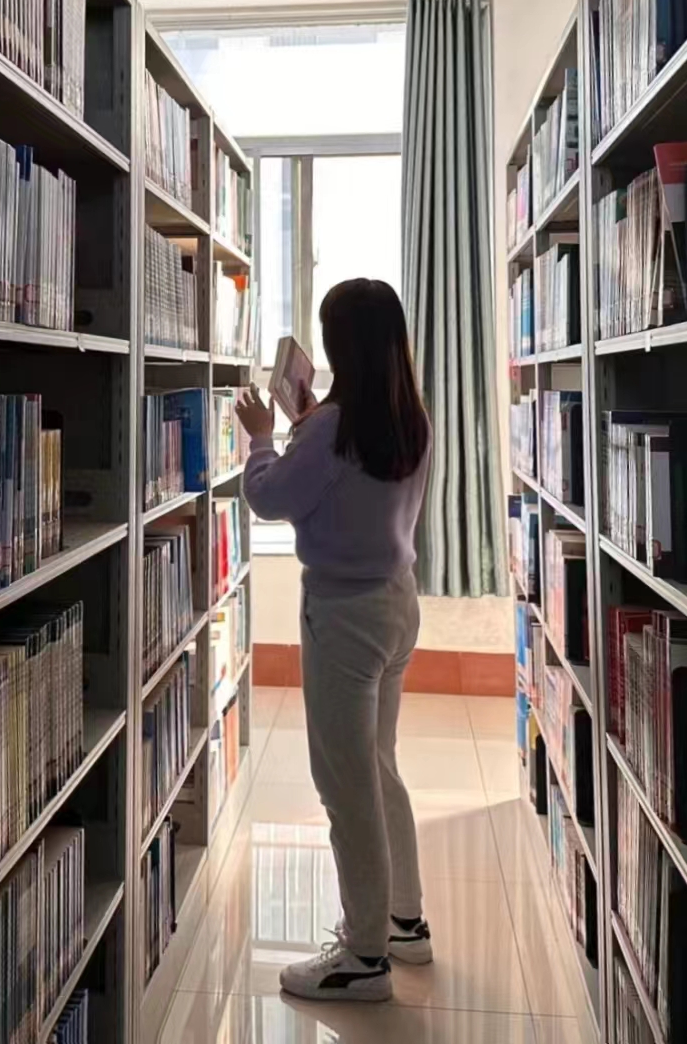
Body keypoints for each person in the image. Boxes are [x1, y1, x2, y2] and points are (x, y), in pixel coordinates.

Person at [235, 278, 433, 1004]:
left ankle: (363, 957)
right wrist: (307, 425)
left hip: (344, 617)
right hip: (397, 604)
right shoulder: (410, 418)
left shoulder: (331, 428)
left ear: (340, 346)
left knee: (346, 787)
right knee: (379, 765)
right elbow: (350, 479)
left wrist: (263, 438)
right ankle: (405, 922)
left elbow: (270, 497)